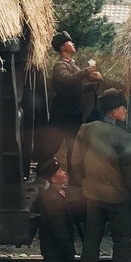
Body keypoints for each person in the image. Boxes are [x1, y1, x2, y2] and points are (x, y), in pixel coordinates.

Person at [74, 88, 131, 262]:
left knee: (91, 241)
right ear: (114, 112)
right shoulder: (125, 137)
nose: (125, 111)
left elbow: (76, 162)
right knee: (122, 242)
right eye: (123, 108)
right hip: (118, 199)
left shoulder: (85, 130)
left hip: (93, 196)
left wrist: (85, 182)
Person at [47, 31, 101, 182]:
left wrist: (92, 86)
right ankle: (45, 176)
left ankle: (73, 181)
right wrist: (86, 72)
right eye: (70, 42)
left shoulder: (73, 64)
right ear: (63, 47)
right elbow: (66, 81)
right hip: (63, 114)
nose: (73, 44)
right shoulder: (60, 65)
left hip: (73, 113)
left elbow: (75, 89)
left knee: (74, 148)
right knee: (53, 147)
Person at [34, 158, 78, 262]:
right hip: (56, 253)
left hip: (55, 251)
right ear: (53, 179)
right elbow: (59, 229)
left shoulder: (55, 195)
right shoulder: (54, 200)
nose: (64, 173)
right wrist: (69, 250)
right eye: (60, 171)